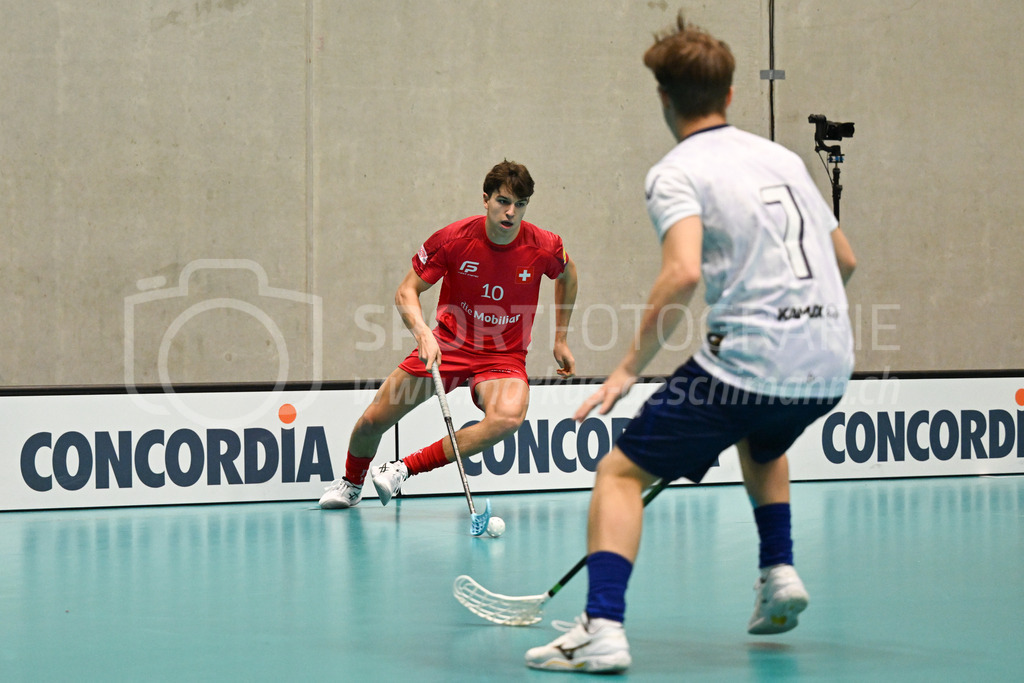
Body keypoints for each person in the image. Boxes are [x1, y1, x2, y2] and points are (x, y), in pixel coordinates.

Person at [525, 14, 857, 674]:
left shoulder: (676, 172)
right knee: (763, 439)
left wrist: (624, 370)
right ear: (731, 95)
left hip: (750, 360)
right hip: (829, 360)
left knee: (619, 473)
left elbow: (680, 273)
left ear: (664, 99)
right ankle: (778, 569)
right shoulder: (784, 158)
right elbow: (843, 259)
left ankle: (603, 627)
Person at [319, 160, 578, 510]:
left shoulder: (543, 246)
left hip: (503, 356)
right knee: (372, 422)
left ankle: (402, 469)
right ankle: (351, 484)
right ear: (485, 199)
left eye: (521, 204)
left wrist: (560, 338)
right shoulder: (454, 240)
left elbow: (567, 274)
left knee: (507, 419)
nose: (511, 212)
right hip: (448, 346)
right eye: (503, 201)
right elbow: (406, 291)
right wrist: (423, 333)